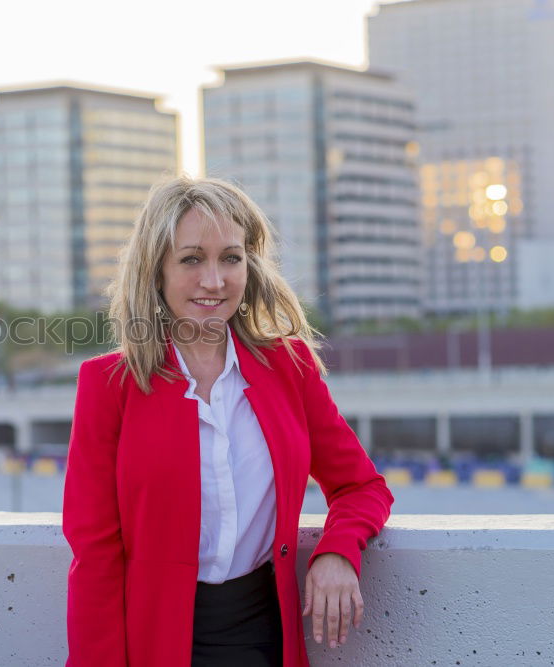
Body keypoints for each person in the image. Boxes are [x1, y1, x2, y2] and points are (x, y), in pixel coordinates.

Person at [62, 176, 394, 666]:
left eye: (231, 258)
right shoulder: (109, 386)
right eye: (191, 259)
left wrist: (337, 551)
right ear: (156, 272)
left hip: (263, 637)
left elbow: (362, 487)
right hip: (156, 643)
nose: (214, 281)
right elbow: (94, 556)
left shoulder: (290, 367)